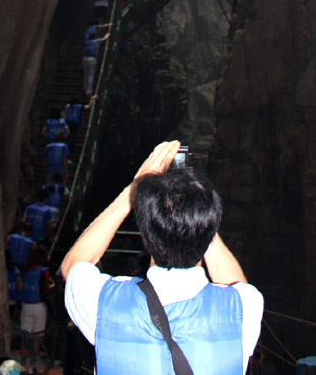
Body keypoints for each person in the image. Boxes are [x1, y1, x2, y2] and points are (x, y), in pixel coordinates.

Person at [61, 140, 264, 375]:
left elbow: (73, 265)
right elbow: (236, 286)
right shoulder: (243, 310)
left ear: (146, 238)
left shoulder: (104, 302)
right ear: (208, 230)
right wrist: (198, 219)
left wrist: (133, 192)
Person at [20, 245, 54, 373]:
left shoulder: (25, 270)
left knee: (25, 336)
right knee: (36, 337)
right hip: (39, 305)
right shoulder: (43, 271)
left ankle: (22, 364)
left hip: (25, 305)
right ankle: (31, 367)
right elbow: (45, 289)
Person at [82, 22, 110, 96]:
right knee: (91, 75)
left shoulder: (86, 41)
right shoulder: (96, 41)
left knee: (86, 73)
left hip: (85, 58)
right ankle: (89, 91)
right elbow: (105, 39)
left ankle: (85, 87)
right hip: (92, 59)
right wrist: (108, 34)